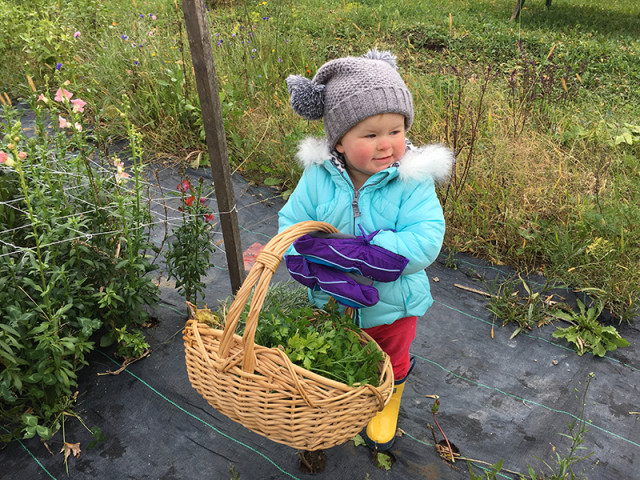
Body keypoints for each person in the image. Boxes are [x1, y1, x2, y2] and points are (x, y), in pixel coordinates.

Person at [278, 49, 454, 450]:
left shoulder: (412, 181)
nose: (386, 144)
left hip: (392, 304)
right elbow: (292, 220)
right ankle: (345, 396)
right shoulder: (318, 177)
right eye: (371, 135)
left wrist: (375, 251)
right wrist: (302, 257)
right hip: (330, 299)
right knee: (339, 350)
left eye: (396, 130)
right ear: (338, 142)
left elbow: (427, 236)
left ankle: (388, 401)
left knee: (391, 356)